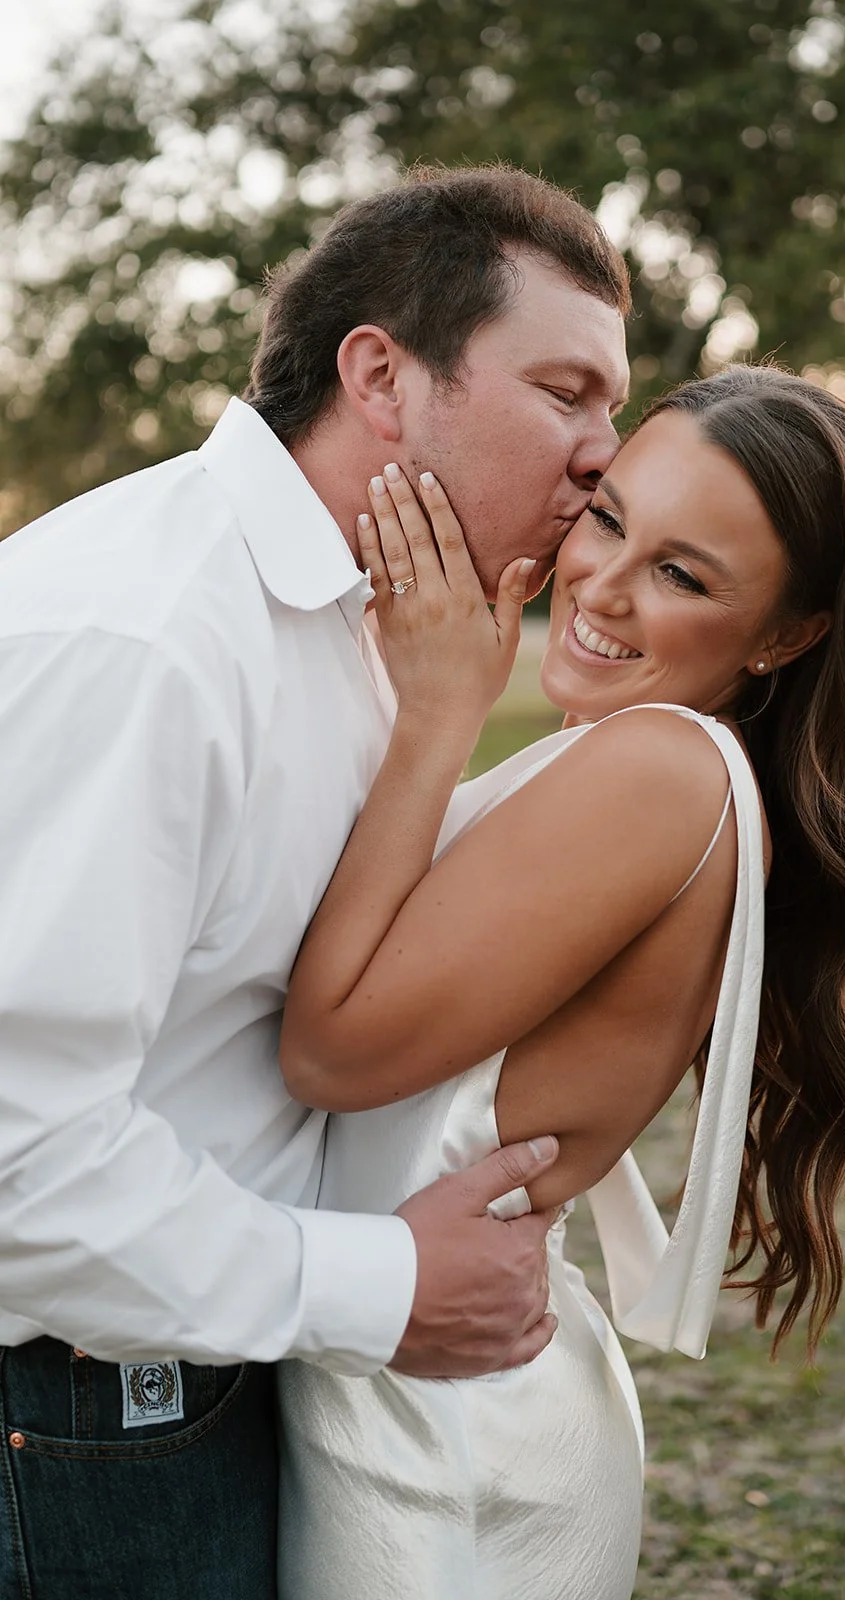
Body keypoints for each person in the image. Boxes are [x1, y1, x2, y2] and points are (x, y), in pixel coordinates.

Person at [0, 165, 631, 1598]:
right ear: (382, 376)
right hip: (69, 1421)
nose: (607, 452)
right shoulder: (148, 639)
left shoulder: (373, 632)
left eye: (612, 405)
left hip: (215, 1383)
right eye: (564, 391)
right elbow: (15, 1155)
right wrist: (387, 1287)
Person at [275, 364, 845, 1598]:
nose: (603, 585)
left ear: (785, 634)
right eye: (611, 516)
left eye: (682, 575)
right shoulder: (615, 758)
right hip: (409, 1381)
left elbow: (330, 1054)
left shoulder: (658, 769)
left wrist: (436, 717)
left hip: (446, 1447)